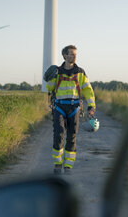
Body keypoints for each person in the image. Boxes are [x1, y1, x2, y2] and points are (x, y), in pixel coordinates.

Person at [45, 45, 96, 174]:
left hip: (74, 108)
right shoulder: (57, 71)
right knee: (59, 134)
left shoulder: (80, 72)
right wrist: (50, 78)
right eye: (71, 54)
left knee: (72, 136)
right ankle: (57, 164)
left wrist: (91, 106)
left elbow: (87, 90)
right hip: (59, 107)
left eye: (75, 54)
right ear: (65, 56)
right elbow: (50, 88)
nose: (74, 56)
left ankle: (68, 166)